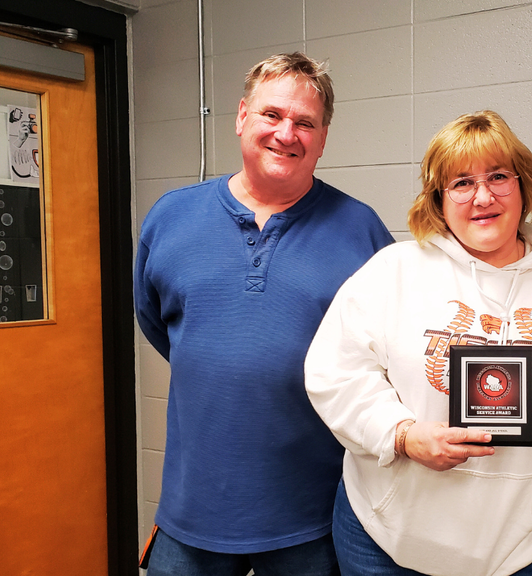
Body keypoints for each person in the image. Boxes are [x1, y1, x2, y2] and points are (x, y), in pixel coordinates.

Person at [303, 111, 532, 576]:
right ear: (438, 200)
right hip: (385, 536)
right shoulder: (395, 270)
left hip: (522, 547)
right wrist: (402, 435)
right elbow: (335, 372)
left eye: (498, 177)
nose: (483, 196)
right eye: (462, 183)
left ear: (524, 185)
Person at [134, 52, 394, 575]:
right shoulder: (171, 216)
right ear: (241, 117)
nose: (286, 133)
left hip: (313, 518)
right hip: (193, 514)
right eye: (272, 115)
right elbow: (159, 325)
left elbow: (388, 355)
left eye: (305, 123)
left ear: (322, 138)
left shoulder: (361, 230)